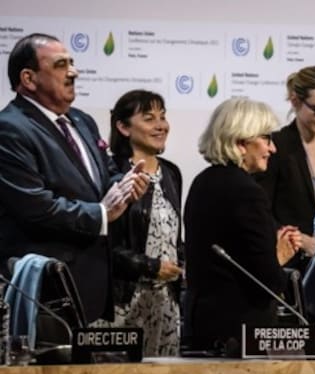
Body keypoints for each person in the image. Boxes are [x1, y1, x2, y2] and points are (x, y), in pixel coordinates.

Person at [0, 33, 148, 323]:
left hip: (92, 284)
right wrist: (101, 213)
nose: (74, 72)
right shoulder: (10, 129)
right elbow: (37, 208)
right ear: (29, 79)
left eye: (72, 63)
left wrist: (126, 185)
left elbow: (106, 173)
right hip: (44, 291)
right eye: (60, 65)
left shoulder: (82, 120)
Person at [183, 97, 298, 354]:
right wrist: (279, 255)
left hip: (201, 322)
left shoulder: (202, 181)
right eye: (266, 138)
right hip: (241, 331)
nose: (272, 149)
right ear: (240, 143)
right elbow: (267, 279)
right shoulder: (247, 191)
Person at [93, 90, 182, 357]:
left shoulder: (171, 173)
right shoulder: (110, 173)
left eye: (162, 117)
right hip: (122, 301)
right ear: (123, 127)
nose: (161, 125)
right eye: (149, 118)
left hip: (165, 303)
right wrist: (150, 266)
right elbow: (103, 244)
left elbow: (173, 237)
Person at [254, 66, 315, 271]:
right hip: (291, 265)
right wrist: (300, 240)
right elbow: (261, 210)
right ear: (295, 101)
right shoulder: (275, 146)